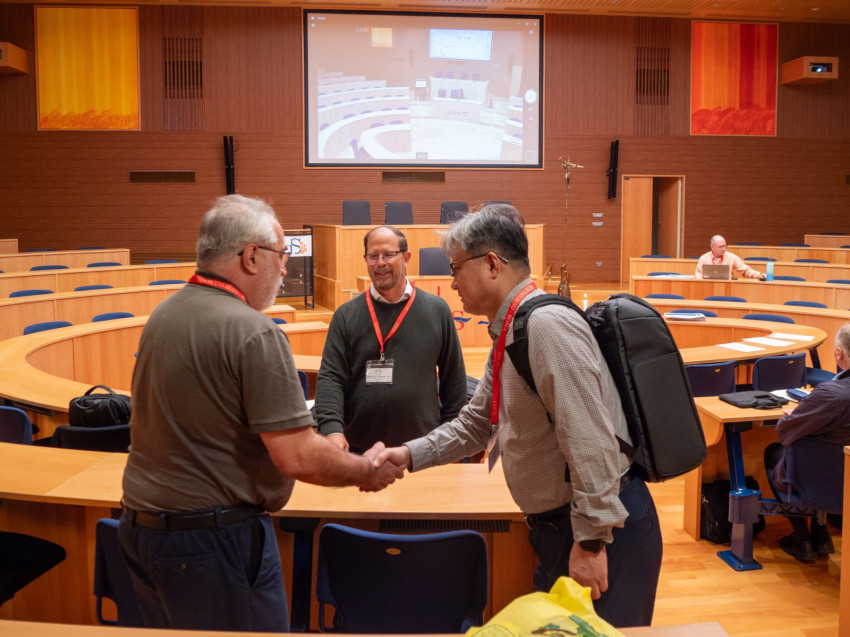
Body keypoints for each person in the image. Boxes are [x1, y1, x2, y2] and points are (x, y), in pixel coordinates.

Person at [118, 195, 403, 631]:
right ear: (251, 257)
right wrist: (366, 470)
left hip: (142, 530)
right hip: (214, 541)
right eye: (281, 255)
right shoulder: (253, 331)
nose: (285, 269)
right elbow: (297, 455)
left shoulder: (164, 314)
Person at [374, 204, 662, 627]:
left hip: (602, 533)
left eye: (456, 268)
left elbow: (591, 440)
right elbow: (476, 423)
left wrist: (592, 542)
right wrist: (408, 454)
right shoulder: (511, 328)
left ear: (492, 264)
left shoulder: (545, 327)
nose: (452, 282)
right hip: (562, 530)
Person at [315, 225, 467, 454]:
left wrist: (449, 437)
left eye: (388, 254)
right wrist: (332, 430)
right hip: (359, 451)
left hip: (423, 450)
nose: (380, 263)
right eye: (373, 256)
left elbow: (453, 379)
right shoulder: (345, 315)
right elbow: (331, 377)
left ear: (406, 258)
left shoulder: (437, 310)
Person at [764, 323, 850, 562]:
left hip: (819, 481)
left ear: (839, 353)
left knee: (775, 452)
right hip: (845, 479)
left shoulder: (829, 394)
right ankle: (820, 533)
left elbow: (785, 430)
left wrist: (798, 414)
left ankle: (801, 537)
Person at [694, 235, 766, 280]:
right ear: (712, 247)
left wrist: (759, 275)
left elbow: (745, 270)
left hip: (727, 287)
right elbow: (698, 277)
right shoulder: (703, 258)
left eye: (725, 246)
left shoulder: (732, 257)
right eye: (721, 247)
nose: (724, 249)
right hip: (708, 287)